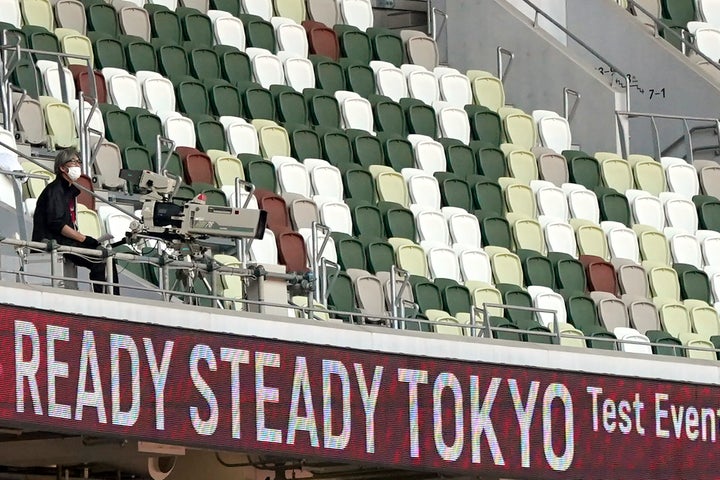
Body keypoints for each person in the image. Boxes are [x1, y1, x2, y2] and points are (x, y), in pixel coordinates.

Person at [32, 148, 119, 295]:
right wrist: (84, 239)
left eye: (79, 162)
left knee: (105, 257)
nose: (78, 165)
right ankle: (105, 299)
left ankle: (111, 297)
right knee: (99, 259)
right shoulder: (55, 190)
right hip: (52, 242)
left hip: (63, 241)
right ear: (62, 167)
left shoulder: (69, 190)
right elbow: (57, 224)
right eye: (73, 162)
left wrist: (85, 240)